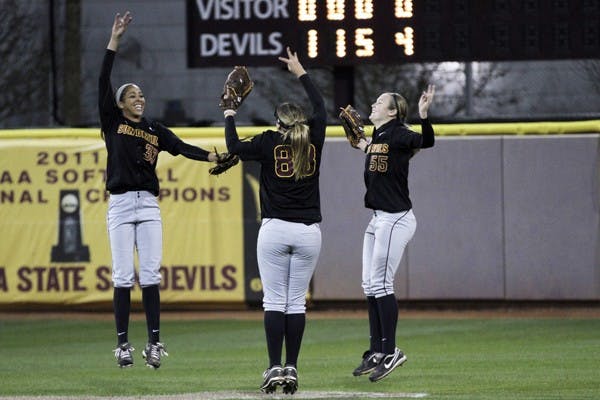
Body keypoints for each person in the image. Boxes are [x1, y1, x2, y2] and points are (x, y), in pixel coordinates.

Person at [99, 11, 221, 369]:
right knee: (123, 275)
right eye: (132, 95)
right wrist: (115, 40)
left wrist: (213, 155)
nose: (139, 98)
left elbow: (183, 148)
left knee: (151, 274)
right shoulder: (113, 121)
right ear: (120, 103)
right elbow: (103, 78)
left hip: (148, 205)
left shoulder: (154, 128)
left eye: (141, 95)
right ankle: (123, 345)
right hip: (121, 203)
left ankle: (154, 343)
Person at [222, 47, 326, 394]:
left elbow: (234, 147)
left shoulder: (268, 141)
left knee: (274, 301)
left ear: (279, 122)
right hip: (309, 231)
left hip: (275, 230)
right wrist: (300, 71)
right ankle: (292, 367)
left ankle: (273, 367)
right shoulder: (313, 138)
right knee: (296, 302)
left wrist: (230, 113)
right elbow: (322, 108)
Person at [350, 85, 436, 382]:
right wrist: (363, 146)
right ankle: (377, 349)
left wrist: (424, 115)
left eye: (379, 102)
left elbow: (426, 141)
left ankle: (391, 351)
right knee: (369, 285)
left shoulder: (399, 131)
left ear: (392, 112)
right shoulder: (380, 136)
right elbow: (380, 154)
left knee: (382, 283)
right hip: (377, 220)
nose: (373, 104)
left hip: (396, 218)